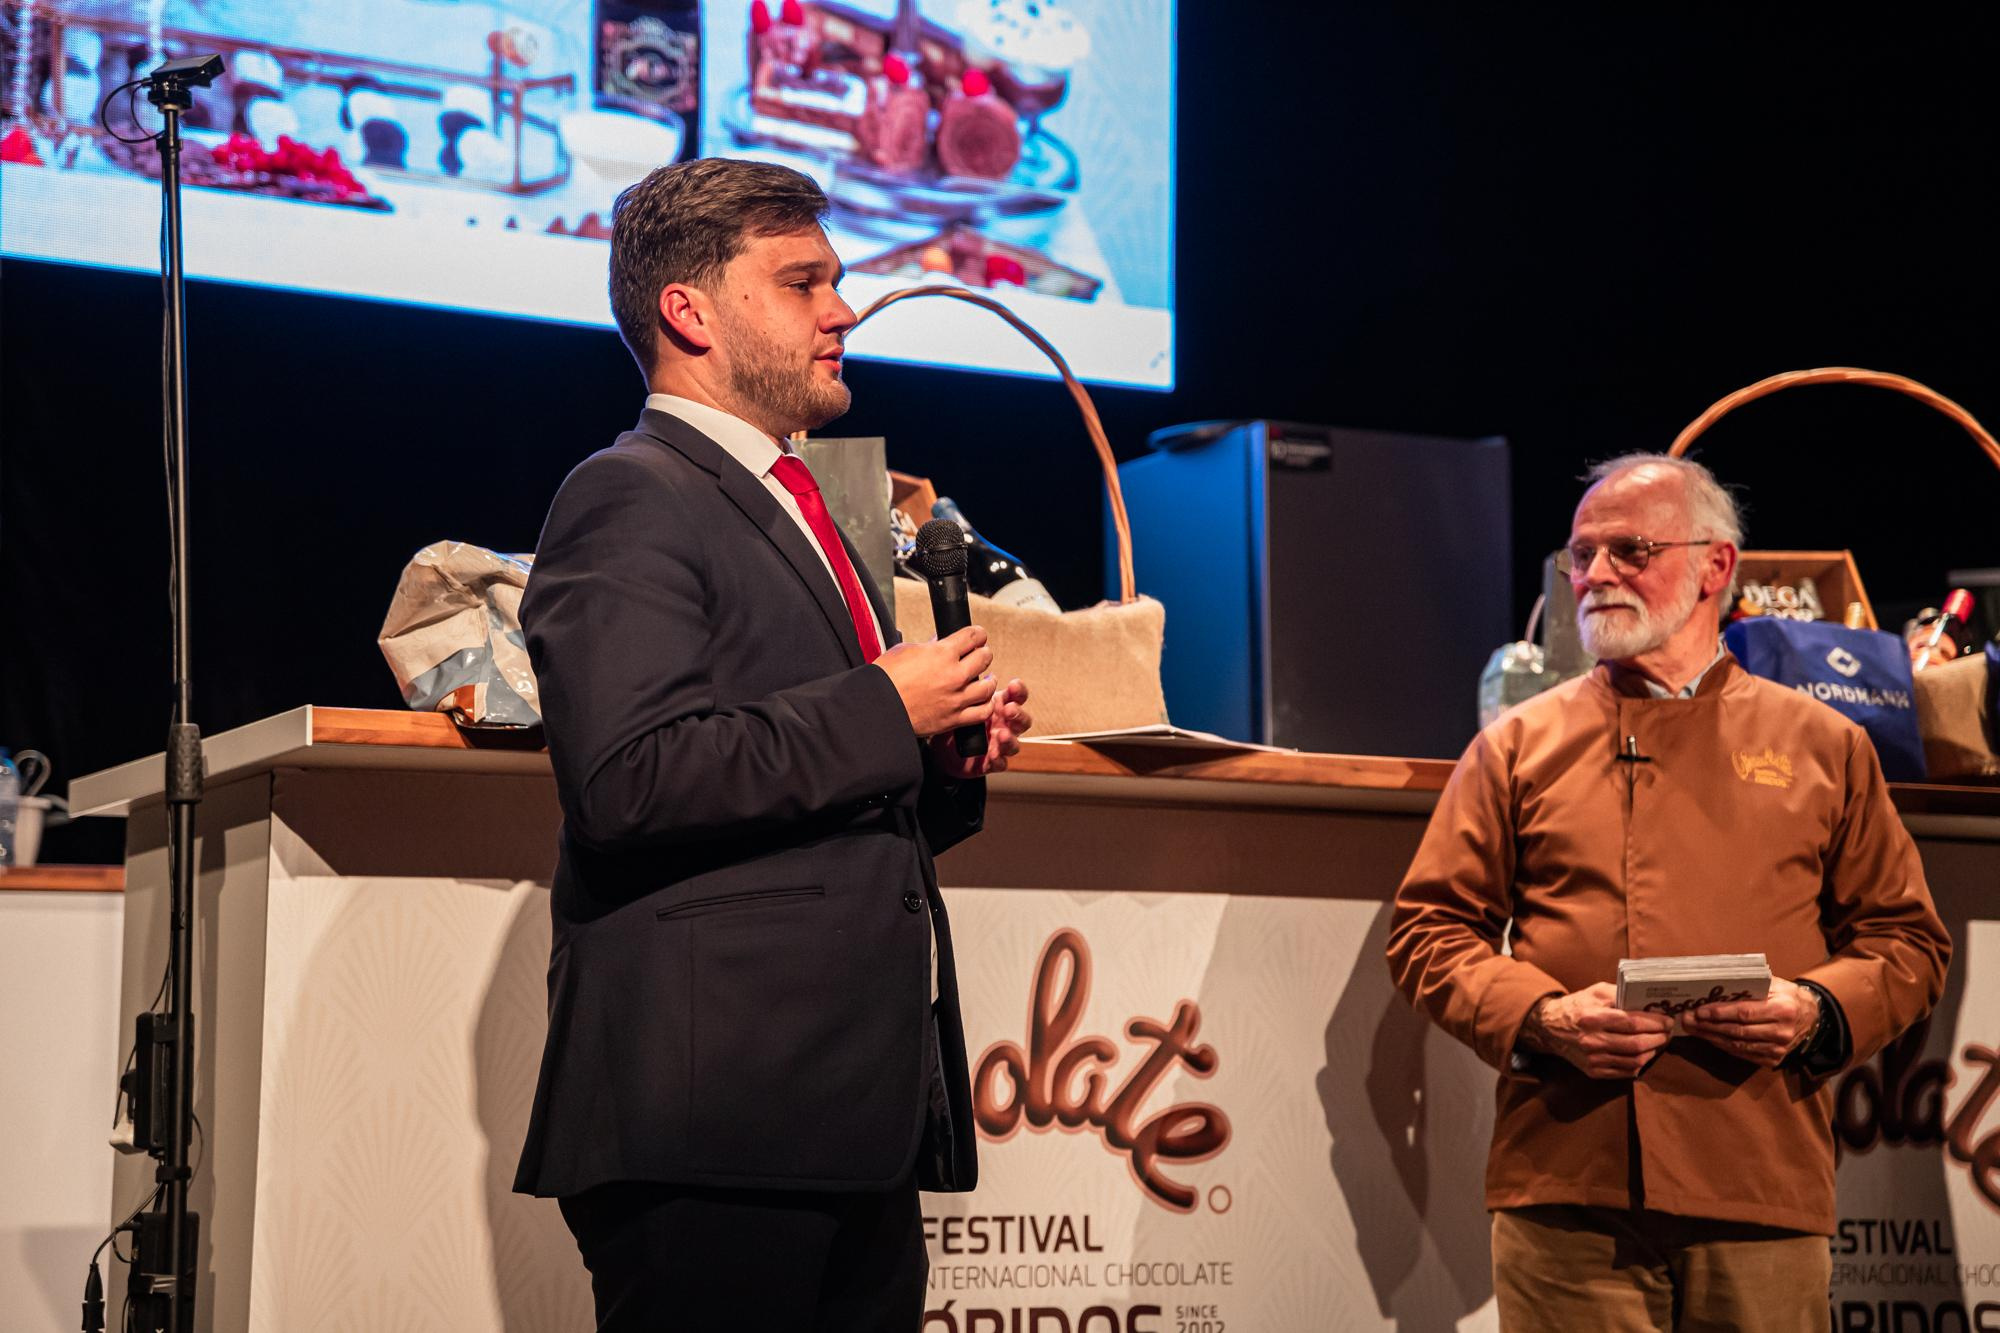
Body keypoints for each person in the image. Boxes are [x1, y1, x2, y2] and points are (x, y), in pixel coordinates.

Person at [512, 156, 1033, 1330]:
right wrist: (884, 707)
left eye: (834, 282)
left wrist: (938, 755)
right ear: (688, 313)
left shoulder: (812, 505)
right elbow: (627, 779)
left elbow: (822, 791)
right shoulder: (627, 493)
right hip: (716, 1117)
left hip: (845, 1116)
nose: (841, 312)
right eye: (802, 284)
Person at [1385, 454, 1949, 1333]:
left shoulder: (1823, 744)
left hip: (1758, 1177)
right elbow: (1428, 929)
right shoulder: (1517, 744)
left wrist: (1815, 1010)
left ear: (1716, 566)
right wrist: (1542, 1017)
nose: (1597, 573)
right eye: (1582, 554)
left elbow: (1908, 942)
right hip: (1567, 1182)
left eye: (1630, 550)